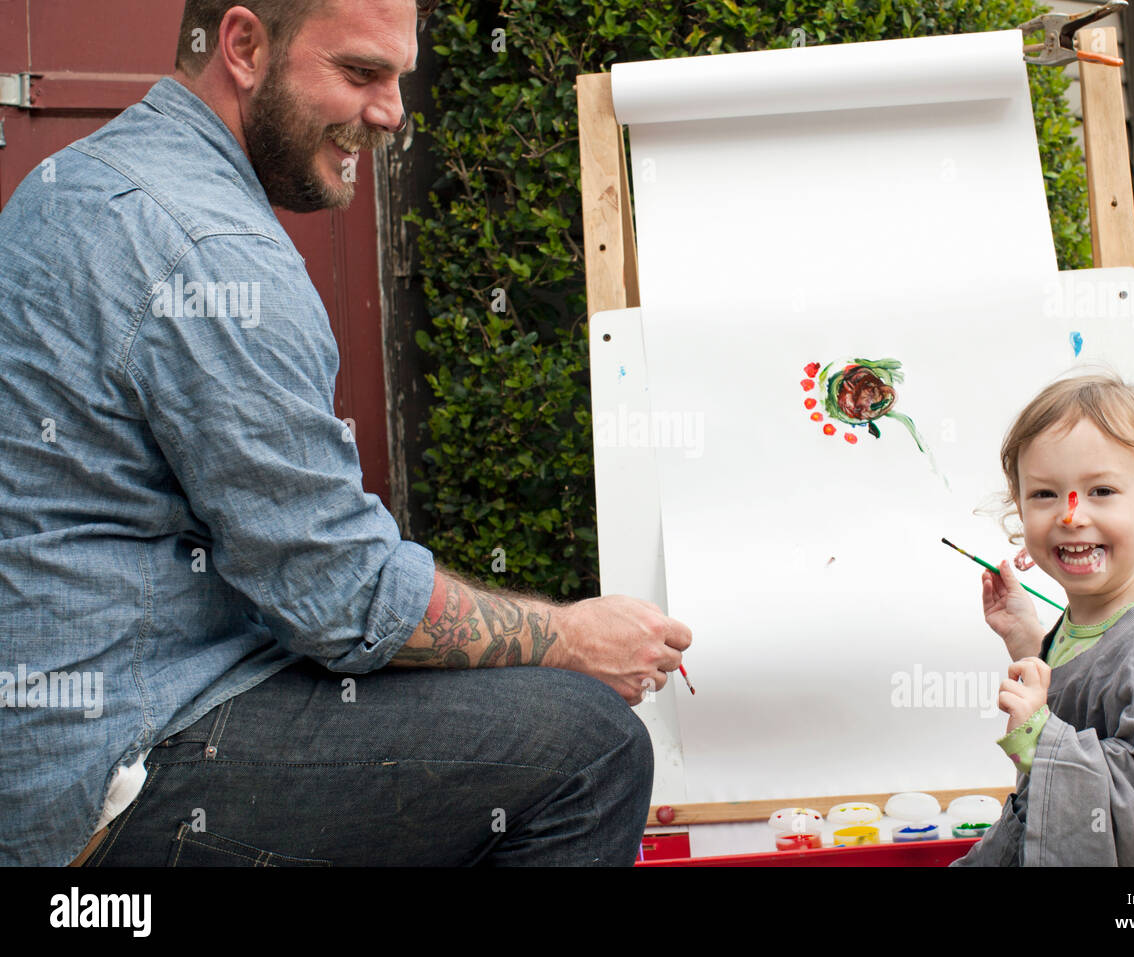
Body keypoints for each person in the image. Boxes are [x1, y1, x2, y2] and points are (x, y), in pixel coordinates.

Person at [0, 0, 690, 867]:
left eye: (398, 77)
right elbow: (343, 599)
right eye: (361, 73)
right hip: (110, 779)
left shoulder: (80, 180)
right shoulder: (211, 249)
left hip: (57, 748)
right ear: (244, 46)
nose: (394, 111)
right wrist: (576, 638)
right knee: (586, 747)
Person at [952, 372, 1134, 866]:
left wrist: (1039, 736)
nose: (1071, 516)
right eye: (1045, 495)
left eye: (1101, 491)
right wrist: (1031, 646)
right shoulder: (1095, 620)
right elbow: (1084, 702)